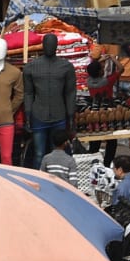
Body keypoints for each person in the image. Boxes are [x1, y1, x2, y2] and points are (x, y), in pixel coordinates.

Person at [22, 34, 77, 168]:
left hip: (59, 116)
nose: (50, 47)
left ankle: (57, 181)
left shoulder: (66, 67)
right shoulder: (31, 67)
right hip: (38, 116)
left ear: (57, 46)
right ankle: (38, 181)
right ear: (42, 45)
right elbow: (28, 93)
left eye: (52, 44)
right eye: (47, 43)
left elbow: (70, 93)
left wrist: (71, 117)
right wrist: (27, 115)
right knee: (39, 153)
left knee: (58, 153)